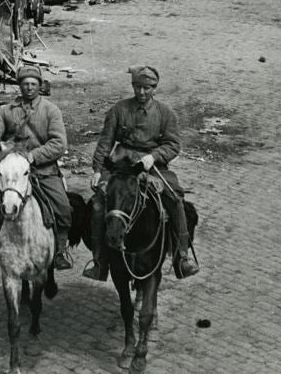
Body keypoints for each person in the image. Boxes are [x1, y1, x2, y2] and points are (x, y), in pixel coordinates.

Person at [83, 66, 199, 281]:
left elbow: (173, 145)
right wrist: (98, 170)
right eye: (138, 87)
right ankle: (99, 261)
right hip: (120, 166)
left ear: (154, 88)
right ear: (133, 86)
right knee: (98, 205)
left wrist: (154, 156)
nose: (142, 92)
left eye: (147, 88)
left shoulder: (166, 113)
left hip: (153, 167)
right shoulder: (119, 110)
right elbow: (105, 142)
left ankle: (182, 257)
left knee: (175, 199)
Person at [0, 65, 73, 270]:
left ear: (40, 86)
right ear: (19, 86)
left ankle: (60, 251)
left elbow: (59, 143)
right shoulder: (6, 111)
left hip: (43, 170)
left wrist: (33, 156)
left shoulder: (50, 110)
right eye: (25, 84)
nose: (29, 88)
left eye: (33, 84)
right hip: (13, 172)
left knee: (63, 206)